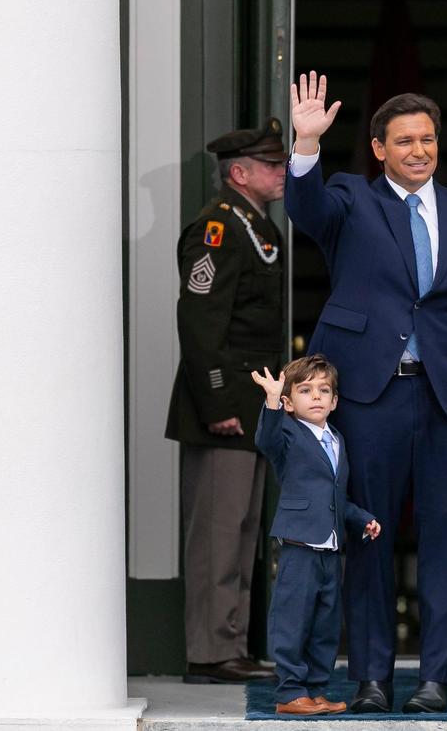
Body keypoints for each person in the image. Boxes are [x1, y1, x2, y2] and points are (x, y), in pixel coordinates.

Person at [284, 72, 447, 714]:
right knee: (369, 536)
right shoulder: (348, 199)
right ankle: (371, 676)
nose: (418, 151)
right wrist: (306, 147)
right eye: (404, 141)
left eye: (427, 140)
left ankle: (435, 678)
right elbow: (305, 208)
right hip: (370, 398)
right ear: (378, 149)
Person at [164, 118, 288, 684]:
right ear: (239, 173)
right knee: (217, 532)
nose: (281, 171)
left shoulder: (258, 227)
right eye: (270, 164)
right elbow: (200, 321)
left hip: (255, 403)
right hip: (225, 405)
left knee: (240, 533)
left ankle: (230, 645)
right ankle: (211, 653)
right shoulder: (216, 229)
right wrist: (217, 403)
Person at [251, 356, 381, 716]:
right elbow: (266, 439)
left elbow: (338, 496)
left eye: (324, 390)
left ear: (335, 401)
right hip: (300, 546)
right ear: (291, 403)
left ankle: (315, 690)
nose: (317, 397)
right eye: (305, 390)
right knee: (292, 620)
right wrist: (273, 401)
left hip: (331, 548)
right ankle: (290, 692)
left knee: (324, 624)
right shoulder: (288, 433)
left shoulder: (336, 439)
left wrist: (361, 519)